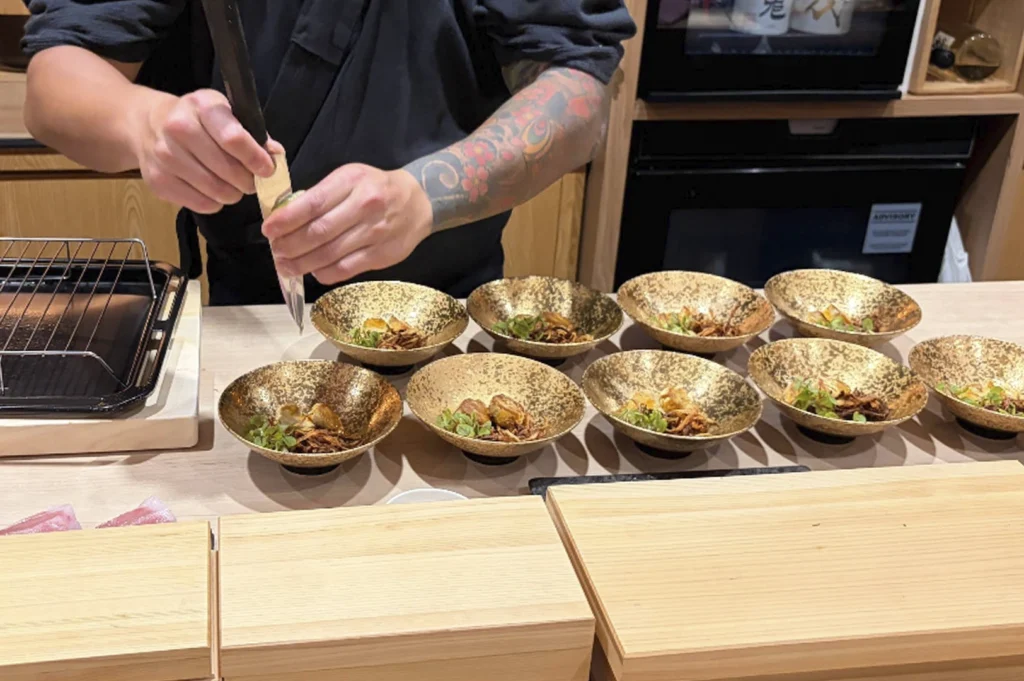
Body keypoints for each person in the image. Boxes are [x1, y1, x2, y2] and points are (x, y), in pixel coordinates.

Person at [21, 0, 635, 305]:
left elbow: (578, 88)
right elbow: (55, 85)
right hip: (249, 304)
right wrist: (142, 119)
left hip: (449, 305)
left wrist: (425, 194)